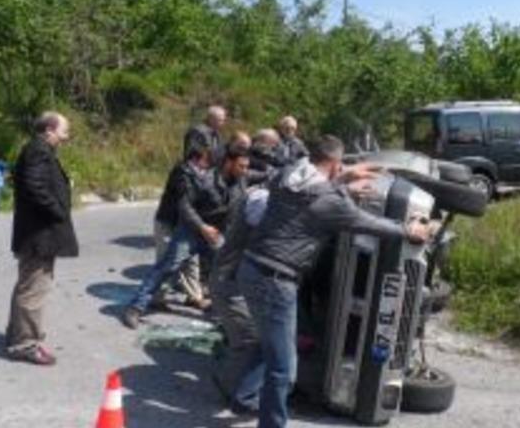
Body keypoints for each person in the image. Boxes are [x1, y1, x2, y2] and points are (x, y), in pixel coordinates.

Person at [236, 135, 432, 428]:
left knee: (272, 343)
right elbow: (367, 223)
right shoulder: (329, 200)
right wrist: (408, 230)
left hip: (250, 268)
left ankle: (245, 397)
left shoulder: (287, 173)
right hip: (276, 281)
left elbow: (310, 192)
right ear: (336, 163)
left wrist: (341, 181)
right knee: (284, 370)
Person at [122, 145, 251, 328]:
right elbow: (185, 207)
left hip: (215, 234)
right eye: (241, 166)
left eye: (246, 167)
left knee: (225, 271)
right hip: (191, 231)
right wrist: (203, 227)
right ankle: (135, 307)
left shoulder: (241, 181)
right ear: (229, 163)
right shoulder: (204, 179)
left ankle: (226, 315)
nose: (245, 171)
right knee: (166, 267)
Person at [6, 111, 78, 365]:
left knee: (28, 285)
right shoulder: (38, 150)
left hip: (37, 233)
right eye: (64, 131)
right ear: (49, 129)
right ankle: (24, 343)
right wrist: (59, 211)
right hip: (39, 234)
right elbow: (34, 186)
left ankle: (17, 334)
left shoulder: (38, 149)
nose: (66, 137)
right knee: (34, 288)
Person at [210, 187, 269, 414]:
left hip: (233, 282)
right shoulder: (259, 205)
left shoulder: (257, 204)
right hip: (229, 284)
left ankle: (230, 382)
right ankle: (230, 386)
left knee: (245, 337)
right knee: (252, 339)